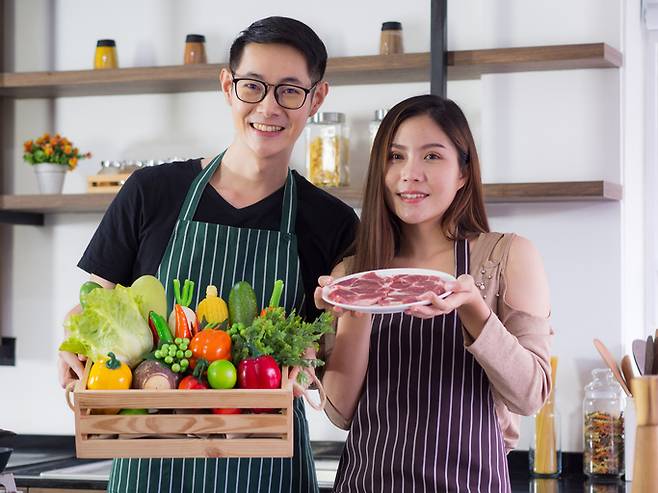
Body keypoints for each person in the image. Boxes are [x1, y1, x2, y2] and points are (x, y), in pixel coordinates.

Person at [58, 16, 358, 493]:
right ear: (227, 86)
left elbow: (329, 351)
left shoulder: (333, 223)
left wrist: (313, 357)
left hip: (267, 468)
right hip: (150, 463)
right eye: (253, 87)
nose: (269, 107)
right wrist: (73, 346)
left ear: (316, 98)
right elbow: (98, 304)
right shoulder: (151, 192)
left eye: (289, 91)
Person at [314, 94, 553, 492]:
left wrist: (473, 308)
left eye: (431, 156)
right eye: (395, 156)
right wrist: (356, 311)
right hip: (369, 482)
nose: (410, 174)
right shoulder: (352, 272)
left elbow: (530, 396)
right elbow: (340, 413)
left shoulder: (506, 256)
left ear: (463, 172)